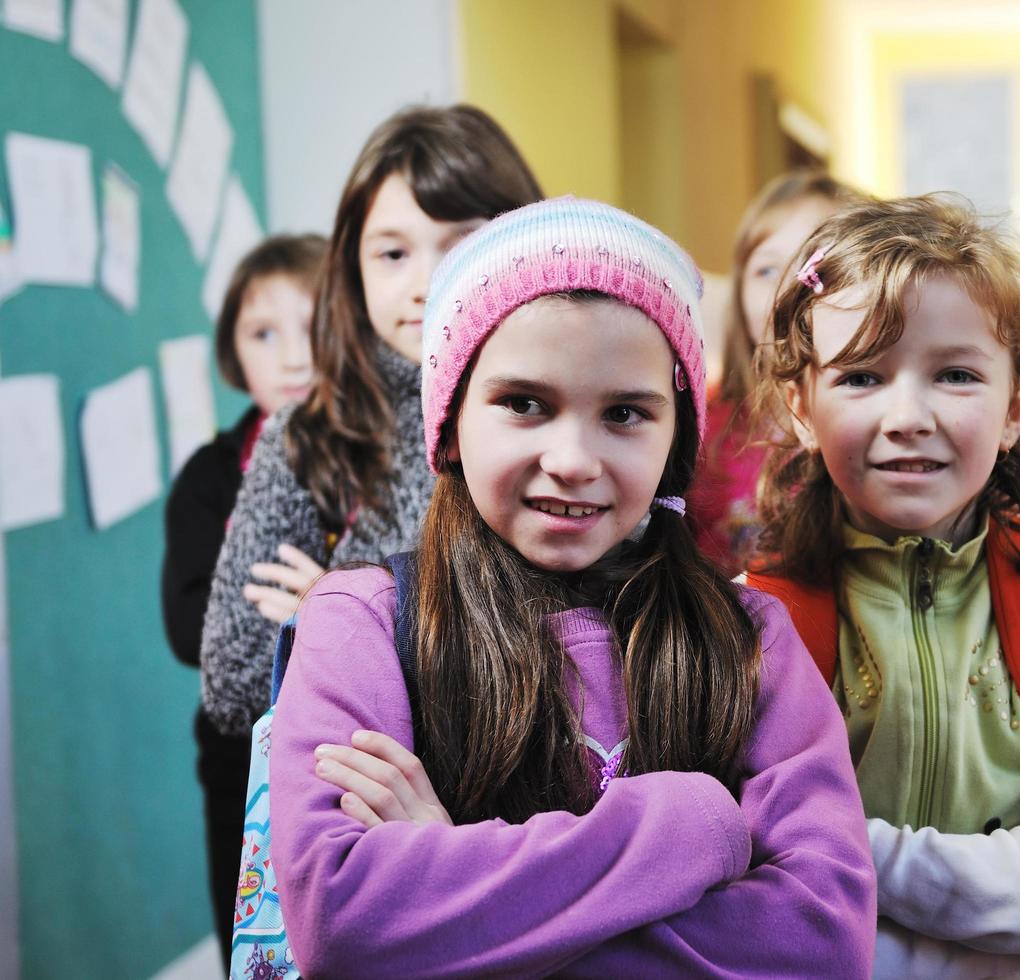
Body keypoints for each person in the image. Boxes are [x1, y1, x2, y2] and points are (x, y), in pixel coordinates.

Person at [268, 197, 877, 976]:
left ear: (674, 439)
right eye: (525, 404)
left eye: (624, 413)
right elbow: (345, 926)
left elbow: (822, 943)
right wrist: (686, 827)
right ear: (450, 417)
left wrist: (457, 891)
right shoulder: (364, 623)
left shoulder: (750, 637)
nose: (574, 460)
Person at [752, 194, 1020, 976]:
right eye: (861, 377)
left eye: (955, 374)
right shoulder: (748, 622)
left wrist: (846, 853)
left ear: (1019, 404)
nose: (909, 414)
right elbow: (740, 885)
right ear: (801, 407)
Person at [200, 105, 542, 738]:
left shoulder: (555, 420)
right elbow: (233, 678)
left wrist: (337, 615)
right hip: (361, 814)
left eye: (460, 243)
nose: (426, 282)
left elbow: (573, 658)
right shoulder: (305, 437)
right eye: (392, 253)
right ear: (353, 269)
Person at [161, 233, 324, 966]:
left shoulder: (378, 462)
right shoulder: (210, 475)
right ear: (233, 351)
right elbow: (186, 623)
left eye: (315, 328)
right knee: (251, 942)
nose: (294, 356)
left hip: (351, 746)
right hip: (238, 755)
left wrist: (325, 603)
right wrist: (294, 617)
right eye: (265, 333)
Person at [691, 170, 863, 572]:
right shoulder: (697, 426)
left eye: (817, 267)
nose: (789, 288)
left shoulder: (878, 424)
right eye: (767, 271)